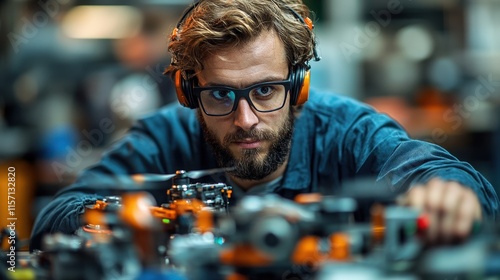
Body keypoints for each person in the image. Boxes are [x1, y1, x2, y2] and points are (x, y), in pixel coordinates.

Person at [30, 0, 498, 251]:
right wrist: (136, 219)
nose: (246, 119)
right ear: (188, 94)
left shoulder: (348, 132)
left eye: (265, 90)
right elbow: (55, 216)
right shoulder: (165, 137)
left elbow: (452, 179)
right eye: (219, 94)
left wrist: (449, 194)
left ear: (300, 88)